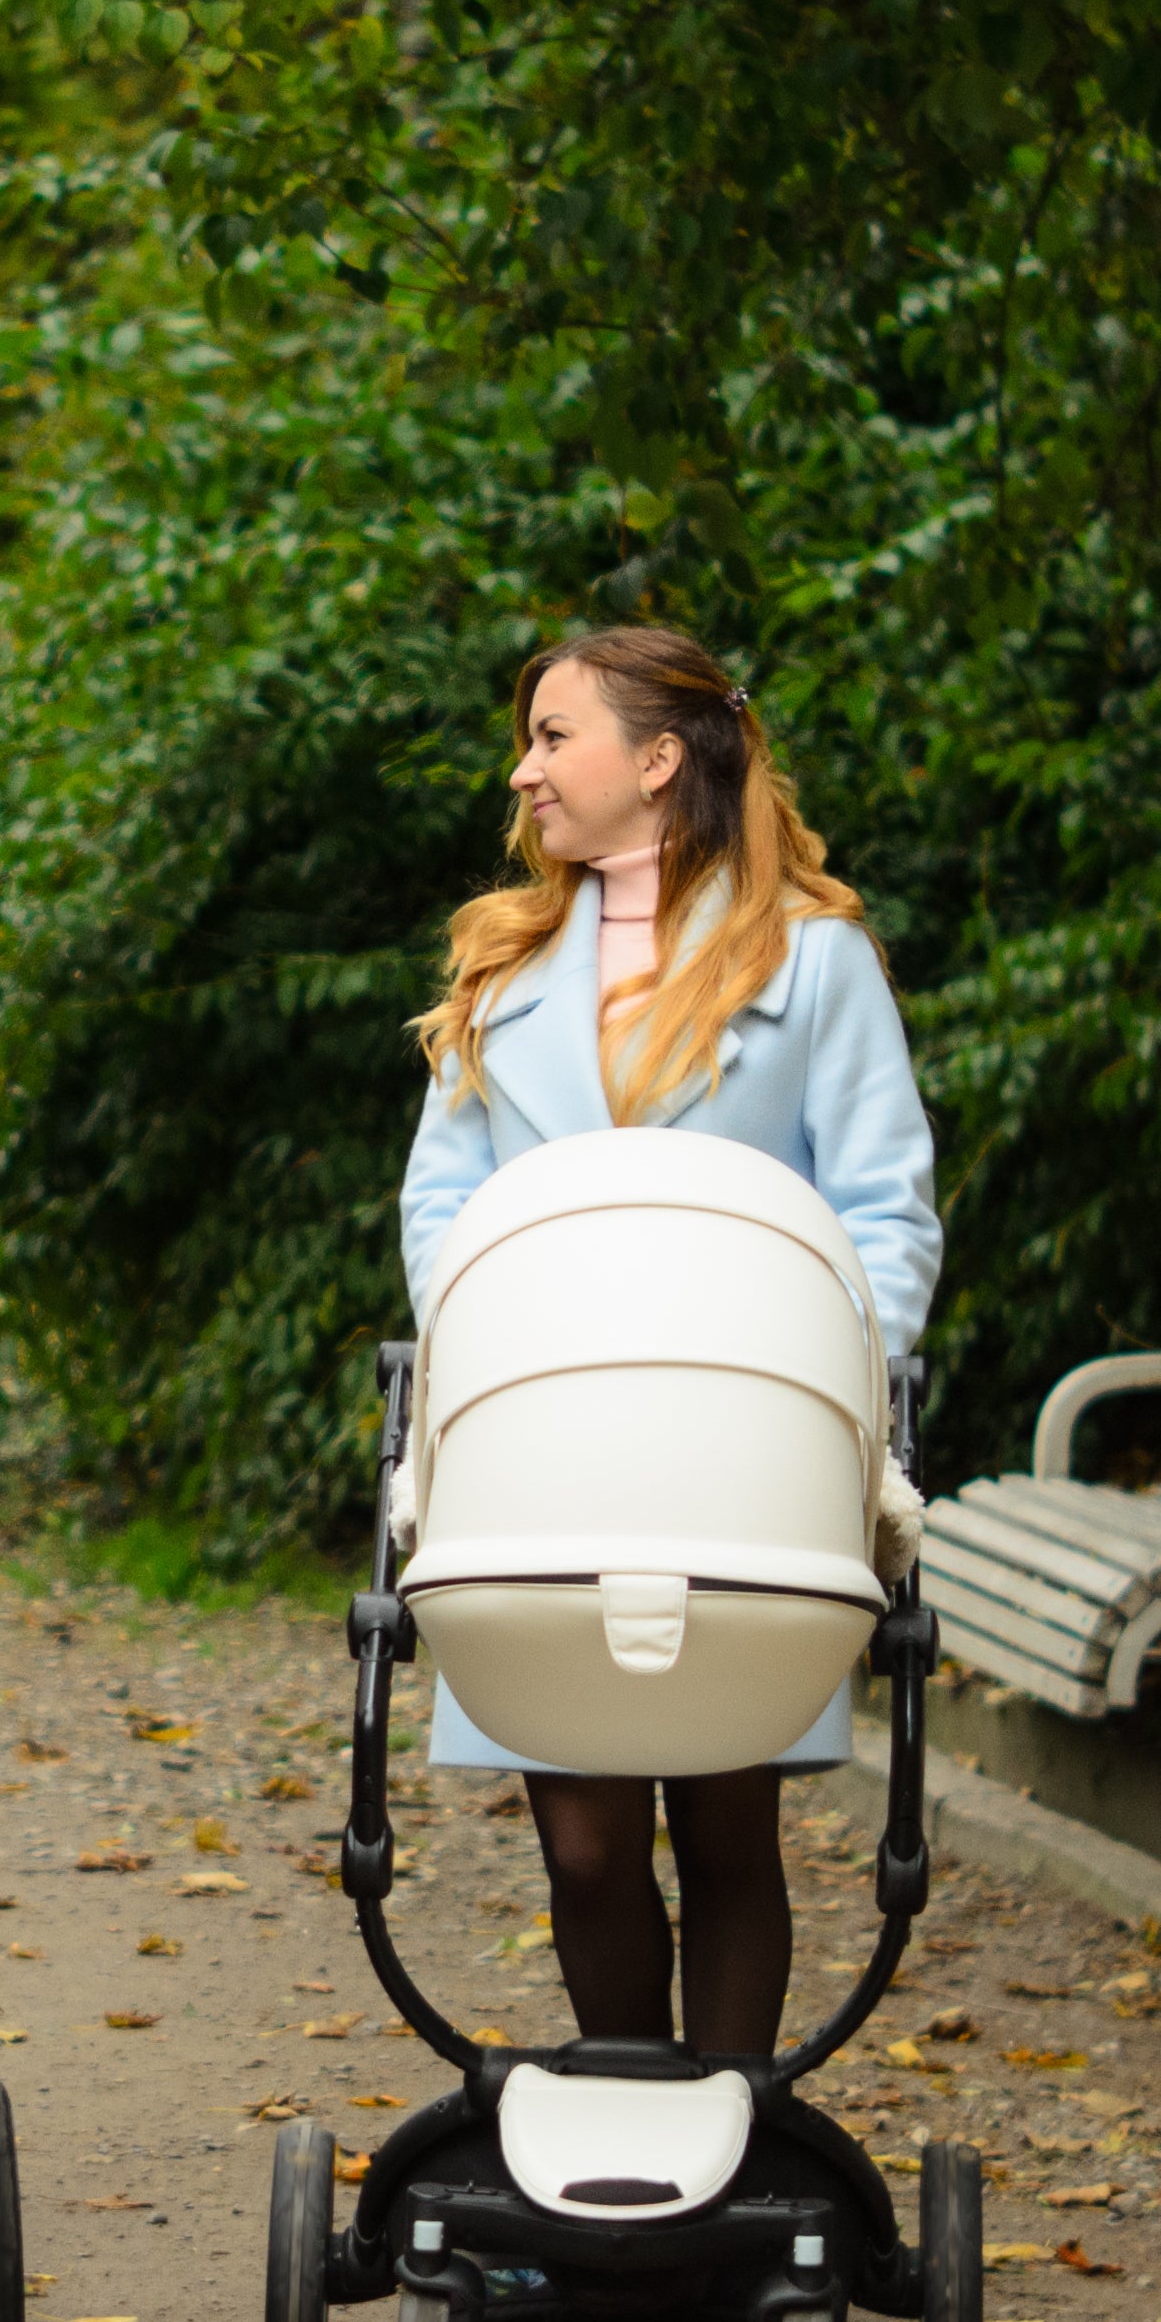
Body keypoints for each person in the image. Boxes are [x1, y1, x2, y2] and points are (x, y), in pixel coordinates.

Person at [396, 624, 943, 2058]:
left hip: (736, 1447)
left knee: (723, 1827)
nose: (522, 772)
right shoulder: (503, 966)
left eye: (551, 736)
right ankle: (631, 2103)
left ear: (653, 759)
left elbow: (883, 1211)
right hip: (544, 1439)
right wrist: (484, 1333)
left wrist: (836, 1388)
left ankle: (730, 2127)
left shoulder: (812, 965)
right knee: (580, 1845)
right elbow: (438, 1203)